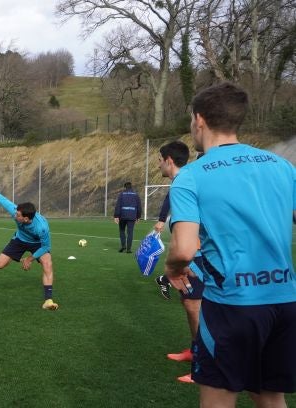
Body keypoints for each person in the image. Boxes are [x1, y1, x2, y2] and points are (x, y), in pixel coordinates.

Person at [164, 82, 296, 406]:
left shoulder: (191, 176)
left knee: (219, 399)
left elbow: (184, 248)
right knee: (270, 398)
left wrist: (173, 268)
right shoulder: (281, 166)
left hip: (233, 305)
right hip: (286, 301)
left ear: (199, 120)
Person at [150, 141, 206, 384]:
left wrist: (183, 260)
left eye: (160, 159)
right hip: (192, 258)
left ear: (169, 159)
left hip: (199, 258)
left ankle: (202, 368)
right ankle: (194, 352)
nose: (158, 163)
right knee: (189, 306)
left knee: (195, 309)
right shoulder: (180, 182)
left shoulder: (187, 180)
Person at [0, 182, 58, 310]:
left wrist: (30, 258)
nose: (15, 215)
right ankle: (19, 258)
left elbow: (45, 247)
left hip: (37, 244)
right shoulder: (16, 211)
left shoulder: (42, 227)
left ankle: (48, 300)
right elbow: (2, 200)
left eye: (18, 215)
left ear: (26, 219)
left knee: (47, 263)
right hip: (19, 240)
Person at [113, 181, 142, 253]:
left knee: (122, 231)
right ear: (131, 187)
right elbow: (139, 207)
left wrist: (116, 216)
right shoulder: (136, 195)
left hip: (122, 215)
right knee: (130, 232)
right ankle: (128, 249)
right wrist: (138, 216)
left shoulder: (121, 194)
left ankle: (123, 246)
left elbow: (118, 205)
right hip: (132, 216)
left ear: (125, 187)